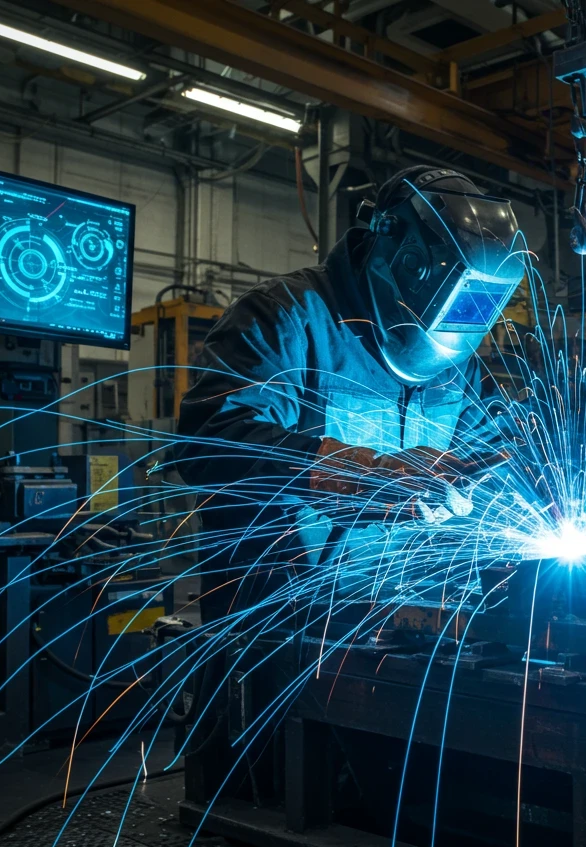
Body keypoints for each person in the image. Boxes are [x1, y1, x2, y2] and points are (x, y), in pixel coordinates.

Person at [175, 166, 523, 617]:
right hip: (282, 623)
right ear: (406, 259)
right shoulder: (288, 318)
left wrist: (534, 496)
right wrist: (354, 472)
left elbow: (492, 456)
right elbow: (207, 441)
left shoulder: (457, 363)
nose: (462, 317)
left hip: (409, 620)